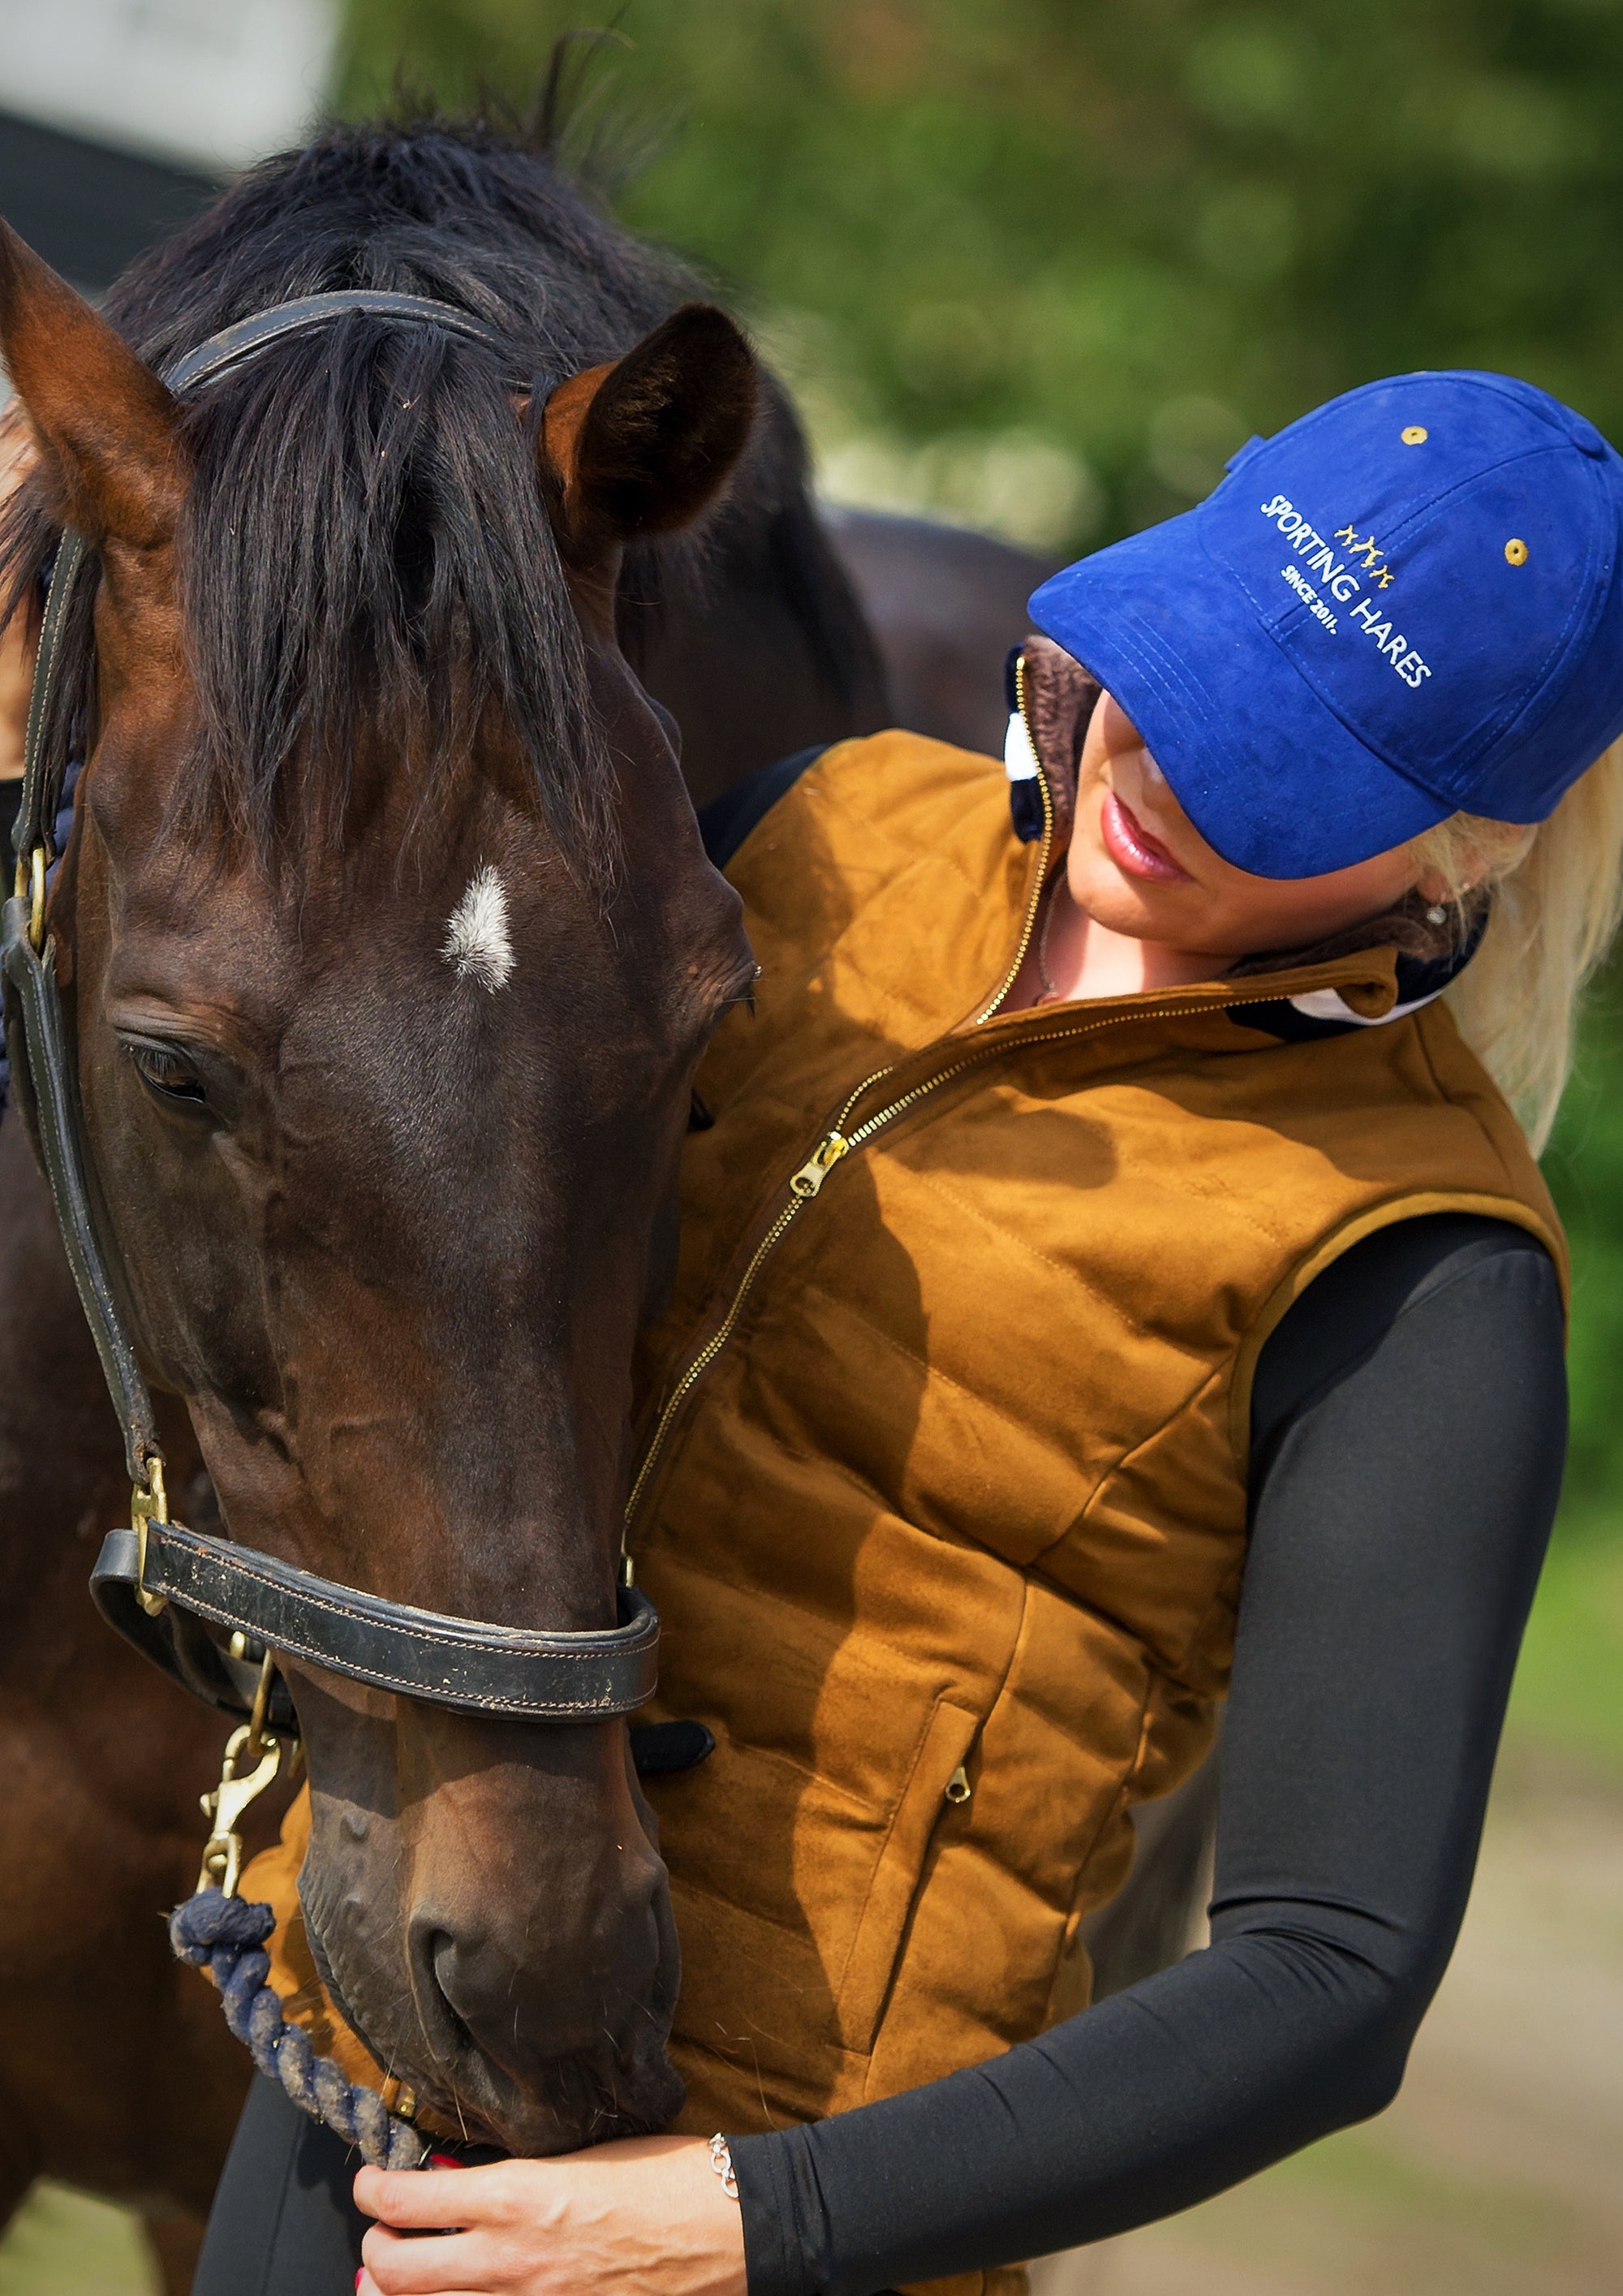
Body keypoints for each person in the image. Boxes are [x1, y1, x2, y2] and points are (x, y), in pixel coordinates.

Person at [192, 369, 1623, 2296]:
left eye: (1278, 772)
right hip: (377, 2035)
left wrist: (737, 2222)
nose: (1165, 777)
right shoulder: (825, 824)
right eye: (1183, 678)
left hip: (766, 2207)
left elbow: (1329, 1973)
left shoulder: (1421, 1261)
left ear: (1459, 850)